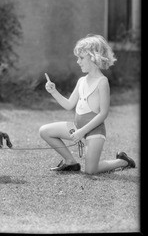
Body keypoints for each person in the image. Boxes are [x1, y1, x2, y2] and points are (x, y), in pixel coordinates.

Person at [39, 34, 136, 173]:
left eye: (81, 58)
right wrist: (53, 92)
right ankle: (70, 162)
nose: (78, 61)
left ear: (94, 57)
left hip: (94, 132)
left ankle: (122, 161)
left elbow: (103, 114)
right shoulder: (81, 81)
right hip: (77, 128)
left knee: (91, 170)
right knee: (44, 131)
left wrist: (82, 132)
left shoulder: (102, 82)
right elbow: (68, 105)